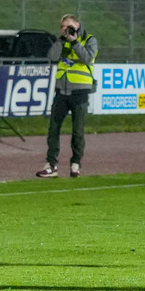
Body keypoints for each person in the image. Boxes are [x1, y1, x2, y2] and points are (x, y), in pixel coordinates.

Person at [36, 14, 98, 178]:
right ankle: (51, 165)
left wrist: (74, 42)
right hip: (61, 91)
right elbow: (52, 57)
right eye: (63, 27)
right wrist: (61, 41)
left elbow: (87, 58)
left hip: (80, 91)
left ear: (77, 25)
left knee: (77, 131)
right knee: (53, 128)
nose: (65, 30)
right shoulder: (62, 41)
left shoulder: (89, 40)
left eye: (68, 27)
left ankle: (76, 163)